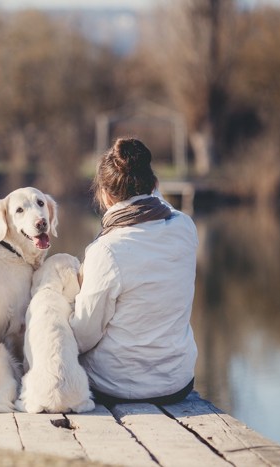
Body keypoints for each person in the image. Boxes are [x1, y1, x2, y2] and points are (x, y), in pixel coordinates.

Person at [70, 137, 198, 405]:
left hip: (116, 386)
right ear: (154, 185)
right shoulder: (185, 228)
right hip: (177, 382)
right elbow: (161, 205)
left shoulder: (106, 251)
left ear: (105, 194)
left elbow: (83, 336)